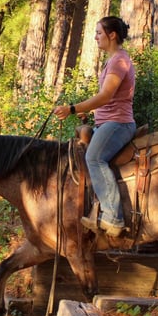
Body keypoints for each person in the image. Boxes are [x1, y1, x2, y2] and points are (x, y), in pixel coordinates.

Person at [53, 16, 136, 237]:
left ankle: (113, 218)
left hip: (118, 124)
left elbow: (107, 95)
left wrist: (72, 108)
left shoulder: (119, 60)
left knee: (94, 158)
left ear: (112, 35)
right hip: (108, 122)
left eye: (99, 33)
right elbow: (107, 97)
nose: (96, 37)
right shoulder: (113, 60)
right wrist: (88, 109)